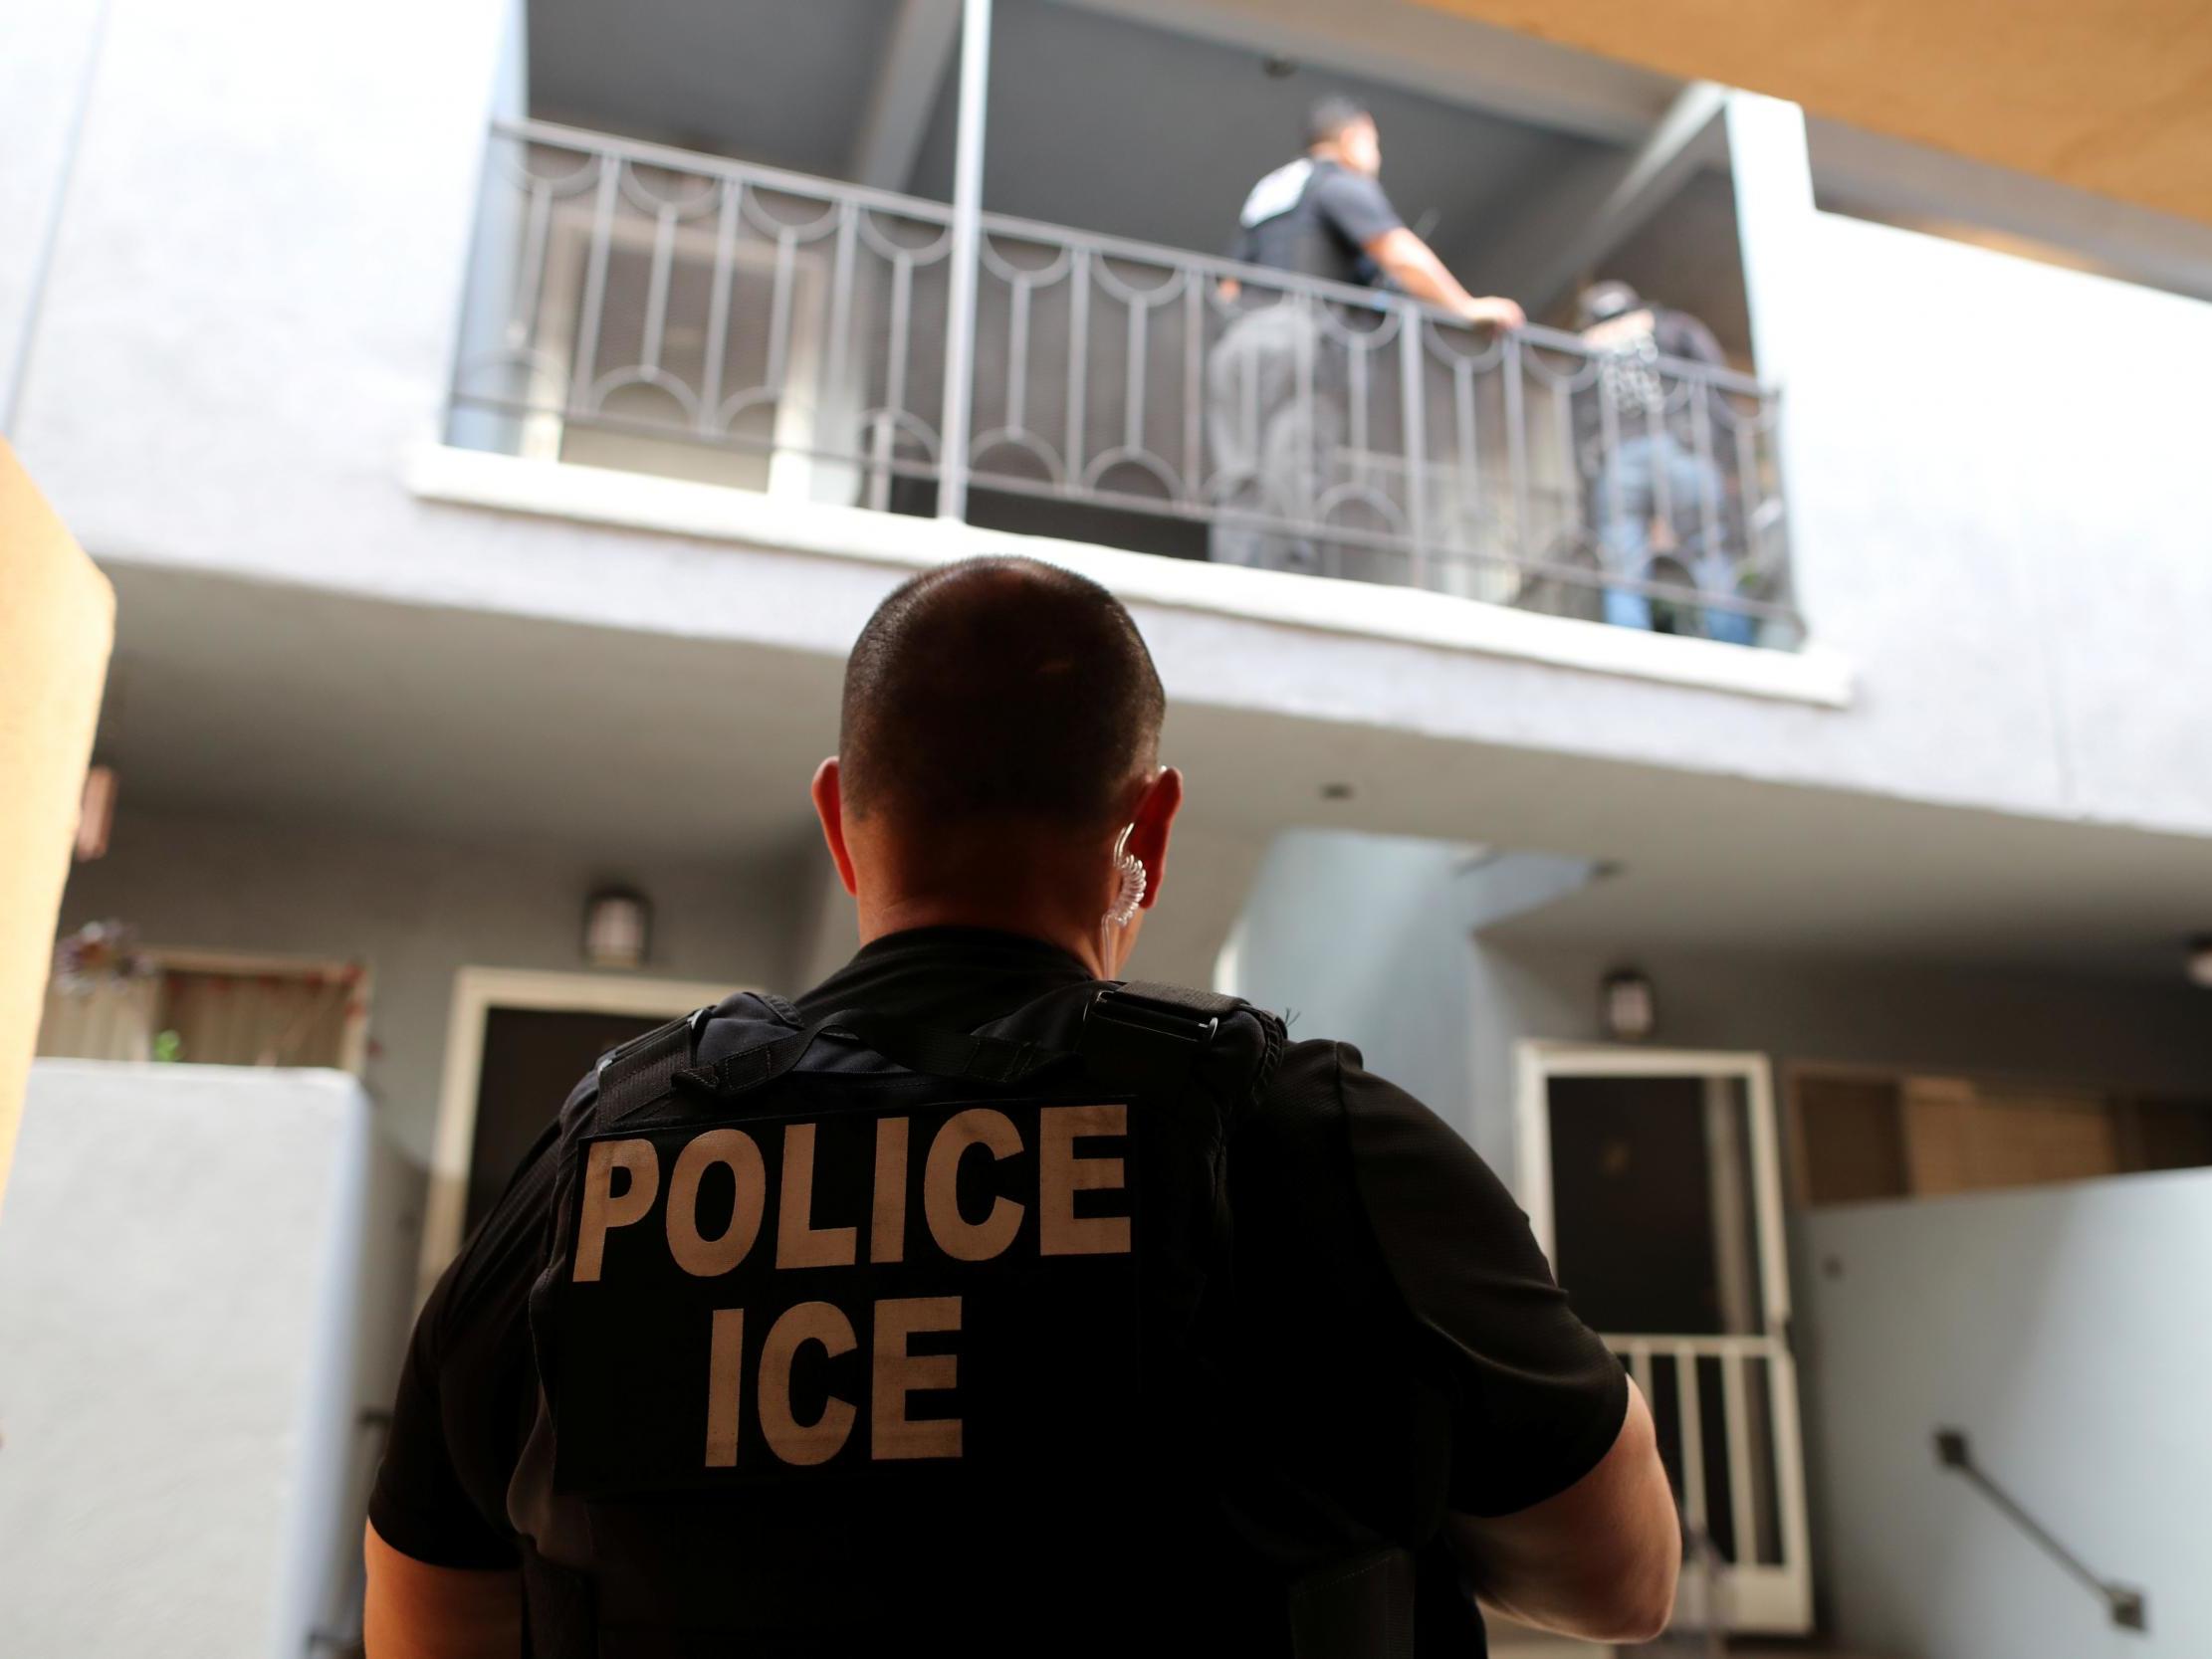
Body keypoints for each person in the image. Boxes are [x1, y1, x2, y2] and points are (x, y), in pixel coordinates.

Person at [363, 556, 1678, 1658]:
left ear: (840, 818)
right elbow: (1621, 1578)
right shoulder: (1315, 1144)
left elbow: (427, 1617)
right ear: (1146, 831)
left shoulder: (590, 1168)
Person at [1209, 98, 1524, 574]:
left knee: (1241, 476)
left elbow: (1229, 285)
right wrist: (1466, 308)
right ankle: (1283, 588)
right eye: (1374, 142)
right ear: (1354, 136)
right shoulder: (1338, 182)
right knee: (1293, 466)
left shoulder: (1270, 191)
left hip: (1239, 344)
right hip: (1301, 335)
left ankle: (1233, 579)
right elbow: (1397, 252)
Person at [1574, 280, 1754, 645]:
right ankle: (1736, 652)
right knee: (1711, 552)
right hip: (1680, 445)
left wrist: (1589, 481)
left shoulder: (1585, 348)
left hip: (1618, 455)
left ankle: (1632, 657)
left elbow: (1577, 423)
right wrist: (1724, 455)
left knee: (1623, 566)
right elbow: (1714, 381)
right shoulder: (1669, 324)